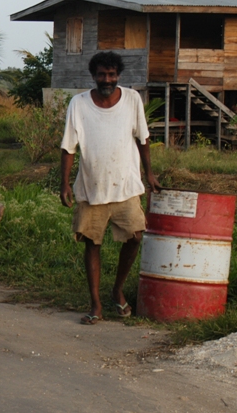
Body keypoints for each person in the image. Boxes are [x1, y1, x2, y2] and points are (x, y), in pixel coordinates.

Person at [59, 51, 161, 325]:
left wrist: (149, 173)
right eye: (102, 75)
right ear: (93, 76)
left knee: (136, 236)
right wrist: (65, 183)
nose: (107, 80)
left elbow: (143, 138)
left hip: (126, 185)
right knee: (92, 243)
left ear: (119, 76)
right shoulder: (78, 104)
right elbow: (69, 147)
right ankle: (96, 304)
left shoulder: (131, 100)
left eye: (112, 75)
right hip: (92, 187)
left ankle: (118, 289)